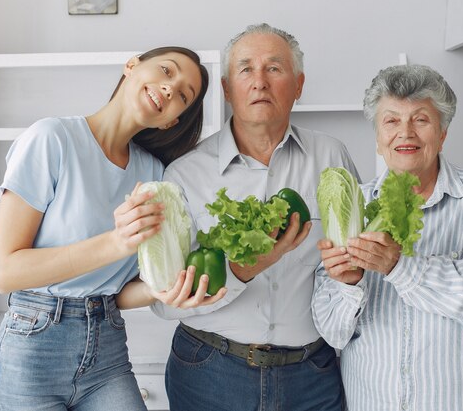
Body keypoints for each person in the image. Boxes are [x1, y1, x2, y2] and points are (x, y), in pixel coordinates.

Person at [0, 46, 225, 411]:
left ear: (171, 121)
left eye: (184, 96)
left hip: (106, 351)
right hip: (32, 347)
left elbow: (114, 294)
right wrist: (115, 243)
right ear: (131, 66)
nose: (171, 88)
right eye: (166, 71)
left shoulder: (154, 176)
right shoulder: (52, 139)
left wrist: (164, 290)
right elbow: (4, 273)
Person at [147, 23, 358, 411]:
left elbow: (347, 265)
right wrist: (240, 271)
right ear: (227, 90)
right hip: (210, 371)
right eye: (245, 69)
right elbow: (164, 302)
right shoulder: (184, 173)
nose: (259, 81)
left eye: (274, 68)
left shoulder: (332, 158)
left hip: (312, 373)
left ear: (298, 85)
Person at [312, 64, 463, 411]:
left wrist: (401, 268)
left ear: (442, 133)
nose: (405, 133)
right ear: (378, 138)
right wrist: (349, 285)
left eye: (421, 120)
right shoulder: (355, 206)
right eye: (391, 120)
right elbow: (333, 334)